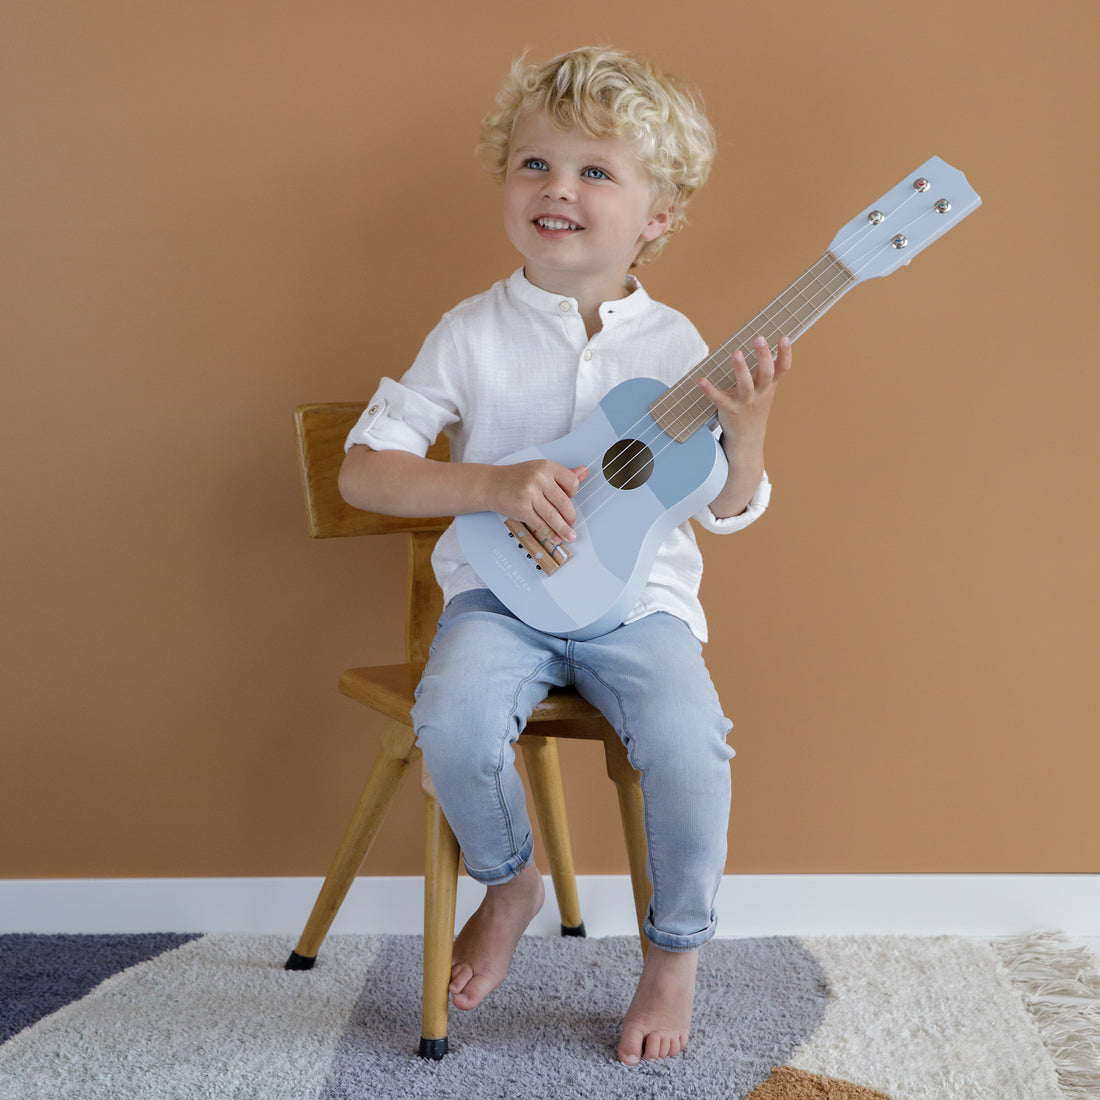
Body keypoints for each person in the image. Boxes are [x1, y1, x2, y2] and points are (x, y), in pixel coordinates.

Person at [338, 45, 791, 1065]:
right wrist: (490, 483)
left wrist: (748, 431)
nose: (558, 189)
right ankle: (511, 879)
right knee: (449, 719)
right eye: (535, 164)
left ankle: (672, 951)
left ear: (656, 216)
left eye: (596, 172)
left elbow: (725, 506)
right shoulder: (467, 333)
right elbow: (366, 473)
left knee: (687, 744)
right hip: (498, 601)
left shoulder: (678, 346)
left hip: (639, 609)